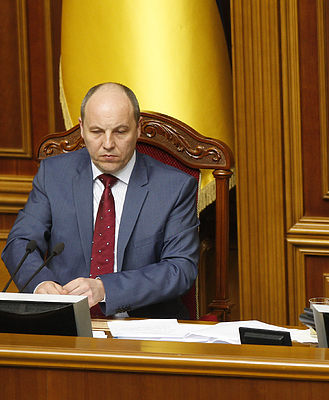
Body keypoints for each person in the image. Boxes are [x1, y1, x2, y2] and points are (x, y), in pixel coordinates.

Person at [1, 82, 199, 319]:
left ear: (138, 128)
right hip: (65, 320)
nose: (108, 144)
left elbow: (180, 268)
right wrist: (40, 284)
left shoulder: (174, 187)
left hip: (142, 325)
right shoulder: (53, 175)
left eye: (120, 131)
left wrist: (106, 289)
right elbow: (20, 242)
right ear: (82, 128)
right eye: (96, 132)